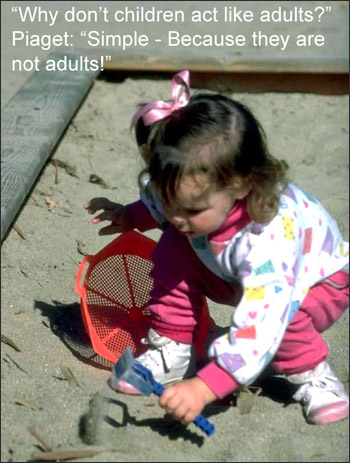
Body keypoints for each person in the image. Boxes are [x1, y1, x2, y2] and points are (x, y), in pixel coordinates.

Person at [85, 70, 349, 426]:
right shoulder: (189, 192)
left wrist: (204, 388)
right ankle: (172, 347)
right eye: (169, 201)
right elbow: (167, 203)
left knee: (284, 318)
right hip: (228, 267)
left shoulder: (265, 240)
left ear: (242, 185)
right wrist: (130, 215)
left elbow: (262, 323)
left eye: (192, 209)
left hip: (317, 284)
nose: (176, 215)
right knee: (173, 247)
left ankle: (314, 375)